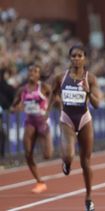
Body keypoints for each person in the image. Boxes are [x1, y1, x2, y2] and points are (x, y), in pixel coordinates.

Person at [49, 45, 101, 211]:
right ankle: (66, 163)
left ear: (84, 58)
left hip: (84, 119)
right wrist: (49, 108)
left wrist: (87, 93)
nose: (76, 58)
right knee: (70, 156)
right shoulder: (60, 77)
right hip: (67, 119)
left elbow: (97, 104)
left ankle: (89, 197)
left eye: (79, 56)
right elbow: (52, 94)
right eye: (73, 56)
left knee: (86, 162)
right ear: (69, 58)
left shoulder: (90, 78)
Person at [9, 63, 53, 194]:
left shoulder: (44, 87)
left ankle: (46, 143)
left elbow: (54, 97)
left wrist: (47, 111)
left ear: (39, 75)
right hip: (30, 122)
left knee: (47, 155)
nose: (32, 74)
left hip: (43, 122)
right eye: (30, 72)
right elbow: (14, 105)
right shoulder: (22, 90)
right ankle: (40, 182)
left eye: (35, 72)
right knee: (28, 154)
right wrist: (14, 108)